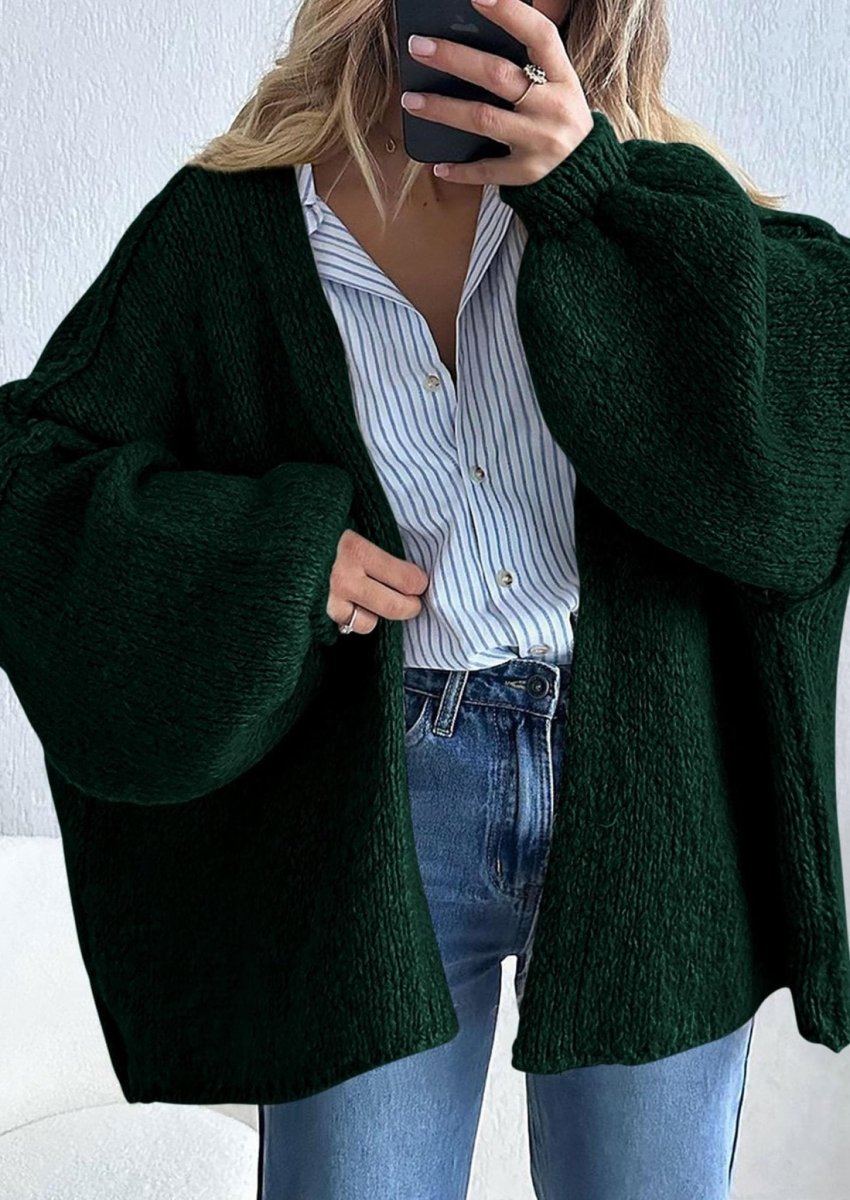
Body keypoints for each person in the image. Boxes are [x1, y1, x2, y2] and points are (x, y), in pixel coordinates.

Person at [2, 1, 848, 1198]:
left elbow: (802, 473)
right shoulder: (229, 226)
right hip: (371, 796)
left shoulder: (653, 206)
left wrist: (593, 197)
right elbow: (30, 480)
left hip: (649, 790)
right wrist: (278, 557)